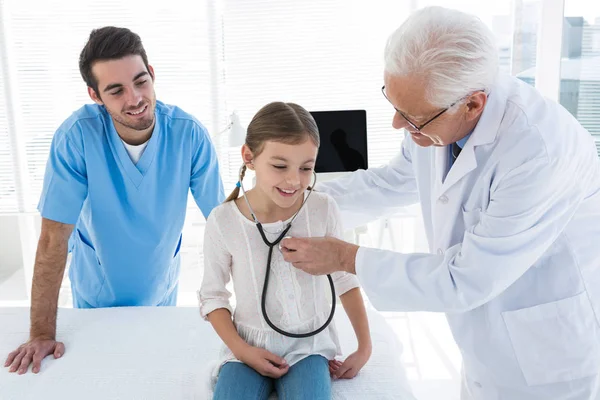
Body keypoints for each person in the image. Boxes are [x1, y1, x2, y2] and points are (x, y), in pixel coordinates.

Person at [280, 6, 600, 400]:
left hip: (547, 356)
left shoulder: (541, 152)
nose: (398, 125)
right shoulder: (438, 112)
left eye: (411, 118)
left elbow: (465, 278)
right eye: (394, 105)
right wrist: (301, 200)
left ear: (473, 105)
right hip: (487, 343)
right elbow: (395, 181)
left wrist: (347, 258)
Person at [4, 27, 224, 375]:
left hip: (160, 287)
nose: (135, 98)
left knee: (155, 375)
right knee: (104, 374)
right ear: (95, 95)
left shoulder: (188, 134)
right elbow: (53, 237)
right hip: (97, 296)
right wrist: (42, 333)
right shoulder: (76, 138)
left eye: (140, 81)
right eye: (116, 90)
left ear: (151, 74)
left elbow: (226, 224)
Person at [199, 102, 372, 400]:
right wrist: (244, 352)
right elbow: (213, 296)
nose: (294, 180)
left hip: (309, 346)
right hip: (248, 344)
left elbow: (344, 279)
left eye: (306, 168)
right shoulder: (223, 221)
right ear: (249, 157)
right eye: (280, 166)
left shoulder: (322, 208)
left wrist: (364, 347)